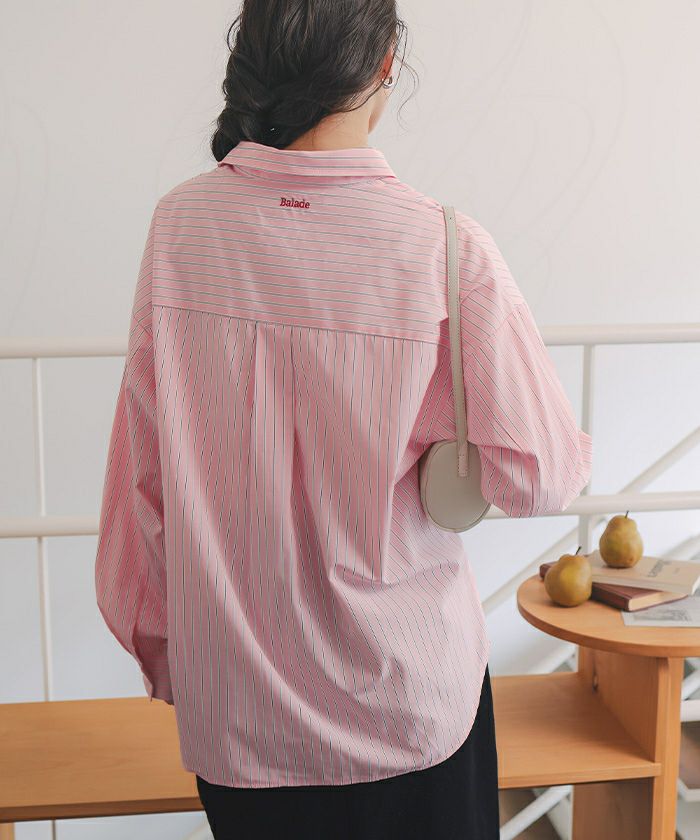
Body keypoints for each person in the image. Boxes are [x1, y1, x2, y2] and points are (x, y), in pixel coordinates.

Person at [94, 1, 593, 838]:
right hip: (410, 706)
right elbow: (540, 477)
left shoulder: (181, 226)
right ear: (387, 61)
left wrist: (167, 652)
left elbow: (141, 474)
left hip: (240, 715)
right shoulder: (444, 247)